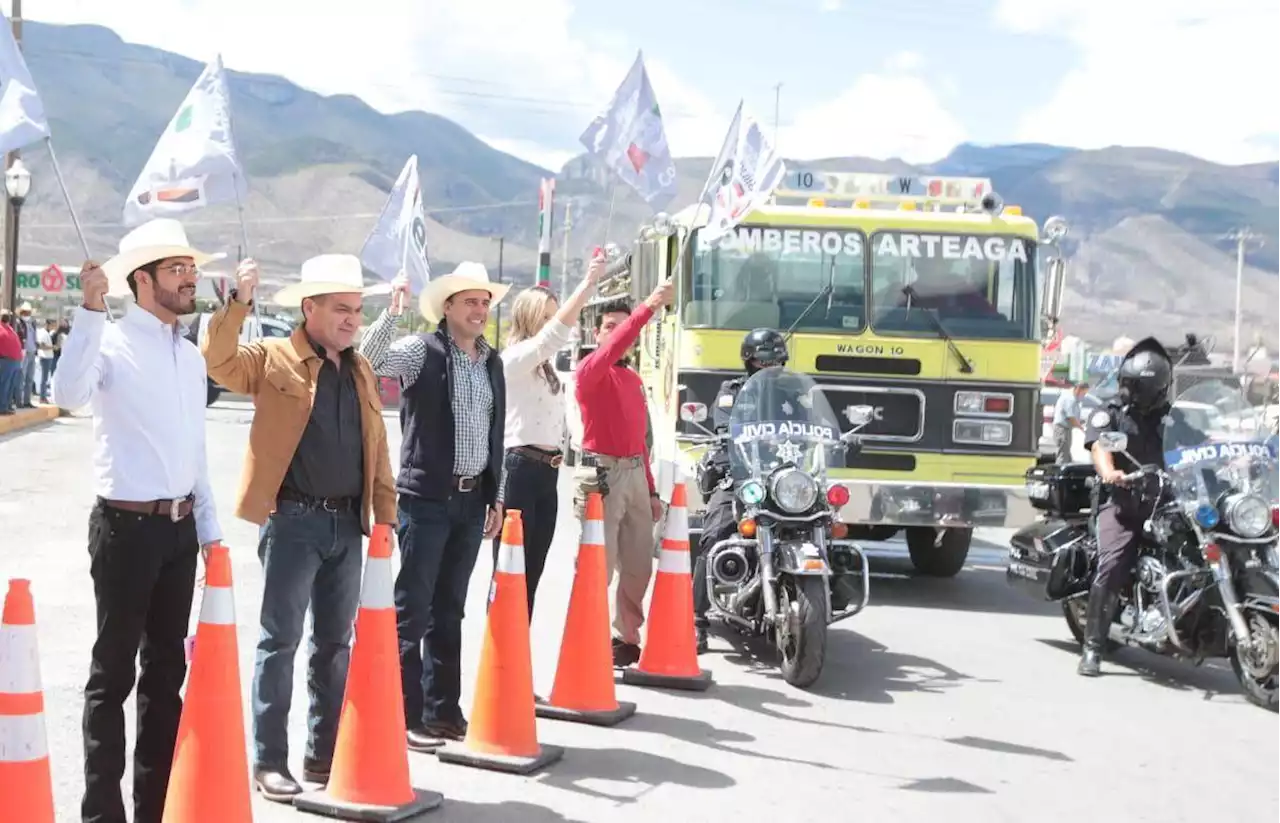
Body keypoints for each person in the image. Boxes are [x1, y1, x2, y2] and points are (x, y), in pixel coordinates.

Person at [201, 254, 398, 801]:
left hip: (347, 526)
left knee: (335, 645)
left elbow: (376, 449)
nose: (352, 320)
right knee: (280, 641)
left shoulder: (358, 368)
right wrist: (238, 303)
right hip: (292, 521)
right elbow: (217, 361)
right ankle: (269, 761)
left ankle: (324, 754)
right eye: (341, 309)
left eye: (357, 310)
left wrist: (386, 517)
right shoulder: (272, 357)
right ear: (309, 308)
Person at [51, 218, 223, 823]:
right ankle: (102, 814)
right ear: (142, 280)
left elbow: (194, 453)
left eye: (190, 268)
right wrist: (89, 312)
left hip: (178, 533)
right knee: (113, 676)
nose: (189, 277)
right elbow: (68, 393)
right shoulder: (114, 341)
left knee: (165, 676)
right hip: (125, 531)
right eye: (176, 269)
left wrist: (210, 534)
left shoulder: (188, 355)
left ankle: (153, 810)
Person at [359, 261, 508, 749]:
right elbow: (368, 360)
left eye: (485, 302)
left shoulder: (492, 362)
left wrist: (496, 495)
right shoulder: (421, 352)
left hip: (471, 501)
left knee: (451, 610)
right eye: (470, 301)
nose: (480, 310)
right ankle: (407, 714)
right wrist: (392, 313)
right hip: (426, 500)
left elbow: (495, 435)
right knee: (413, 609)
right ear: (447, 308)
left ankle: (444, 710)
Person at [485, 252, 603, 615]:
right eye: (547, 317)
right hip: (518, 466)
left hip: (547, 472)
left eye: (555, 316)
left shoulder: (547, 367)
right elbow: (550, 340)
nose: (554, 325)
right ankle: (498, 656)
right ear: (529, 319)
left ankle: (518, 655)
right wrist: (586, 286)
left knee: (533, 568)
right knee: (509, 568)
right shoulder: (517, 357)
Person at [1078, 337, 1195, 677]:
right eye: (1126, 383)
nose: (1127, 390)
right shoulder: (1110, 412)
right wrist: (1110, 472)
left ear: (1156, 388)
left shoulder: (1173, 420)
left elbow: (1198, 449)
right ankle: (1093, 647)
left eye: (1135, 386)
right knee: (1112, 564)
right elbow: (1100, 447)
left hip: (1166, 507)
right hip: (1123, 504)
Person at [574, 278, 675, 667]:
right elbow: (618, 343)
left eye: (623, 324)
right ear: (596, 333)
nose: (618, 333)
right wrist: (647, 307)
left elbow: (641, 440)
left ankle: (625, 638)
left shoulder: (632, 380)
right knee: (598, 566)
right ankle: (586, 636)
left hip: (633, 473)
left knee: (637, 566)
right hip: (603, 473)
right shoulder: (589, 372)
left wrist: (650, 491)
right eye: (609, 326)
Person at [692, 328, 790, 652]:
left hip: (782, 478)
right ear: (749, 361)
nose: (770, 366)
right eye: (763, 361)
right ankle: (696, 621)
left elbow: (811, 425)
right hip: (741, 477)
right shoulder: (730, 391)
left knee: (821, 521)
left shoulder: (794, 394)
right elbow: (723, 428)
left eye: (776, 360)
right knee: (714, 535)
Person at [1052, 381, 1089, 464]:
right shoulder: (1070, 398)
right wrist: (1081, 428)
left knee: (1067, 456)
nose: (1083, 396)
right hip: (1062, 429)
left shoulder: (1072, 398)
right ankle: (1058, 474)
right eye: (1084, 393)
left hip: (1066, 429)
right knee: (1063, 456)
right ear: (1078, 389)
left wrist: (1081, 422)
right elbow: (1071, 417)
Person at [15, 301, 37, 408]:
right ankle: (19, 401)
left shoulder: (32, 323)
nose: (27, 314)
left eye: (28, 312)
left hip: (32, 352)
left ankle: (27, 401)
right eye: (25, 312)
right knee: (21, 377)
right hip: (24, 353)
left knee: (29, 378)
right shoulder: (18, 323)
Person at [0, 310, 21, 415]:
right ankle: (2, 407)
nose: (7, 317)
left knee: (11, 385)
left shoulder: (10, 328)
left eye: (8, 316)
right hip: (5, 360)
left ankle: (7, 405)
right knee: (4, 384)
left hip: (15, 361)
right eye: (5, 315)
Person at [37, 318, 56, 403]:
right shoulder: (43, 333)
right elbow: (41, 346)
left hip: (48, 357)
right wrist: (52, 347)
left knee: (45, 379)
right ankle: (42, 397)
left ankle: (43, 397)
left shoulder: (47, 333)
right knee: (44, 379)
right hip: (45, 357)